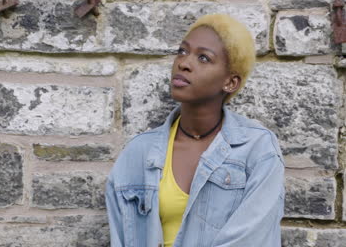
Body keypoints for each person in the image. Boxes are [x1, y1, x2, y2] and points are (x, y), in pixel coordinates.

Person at [105, 14, 285, 247]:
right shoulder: (138, 153)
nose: (184, 63)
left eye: (203, 57)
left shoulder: (258, 149)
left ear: (230, 82)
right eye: (182, 51)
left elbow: (250, 240)